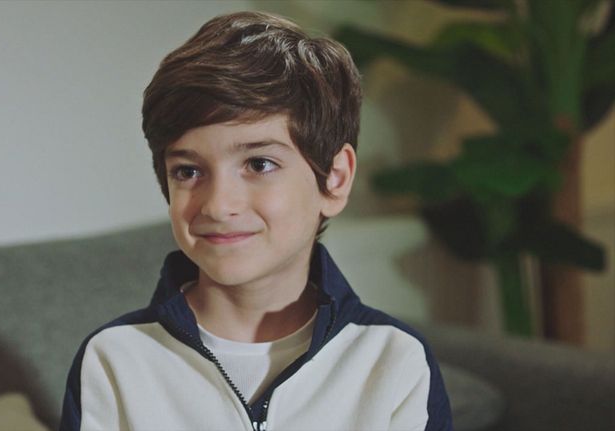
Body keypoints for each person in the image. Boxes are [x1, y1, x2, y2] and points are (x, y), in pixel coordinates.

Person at [60, 11, 452, 431]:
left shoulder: (394, 360)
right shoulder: (113, 360)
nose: (217, 205)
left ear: (335, 180)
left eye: (259, 164)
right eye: (188, 171)